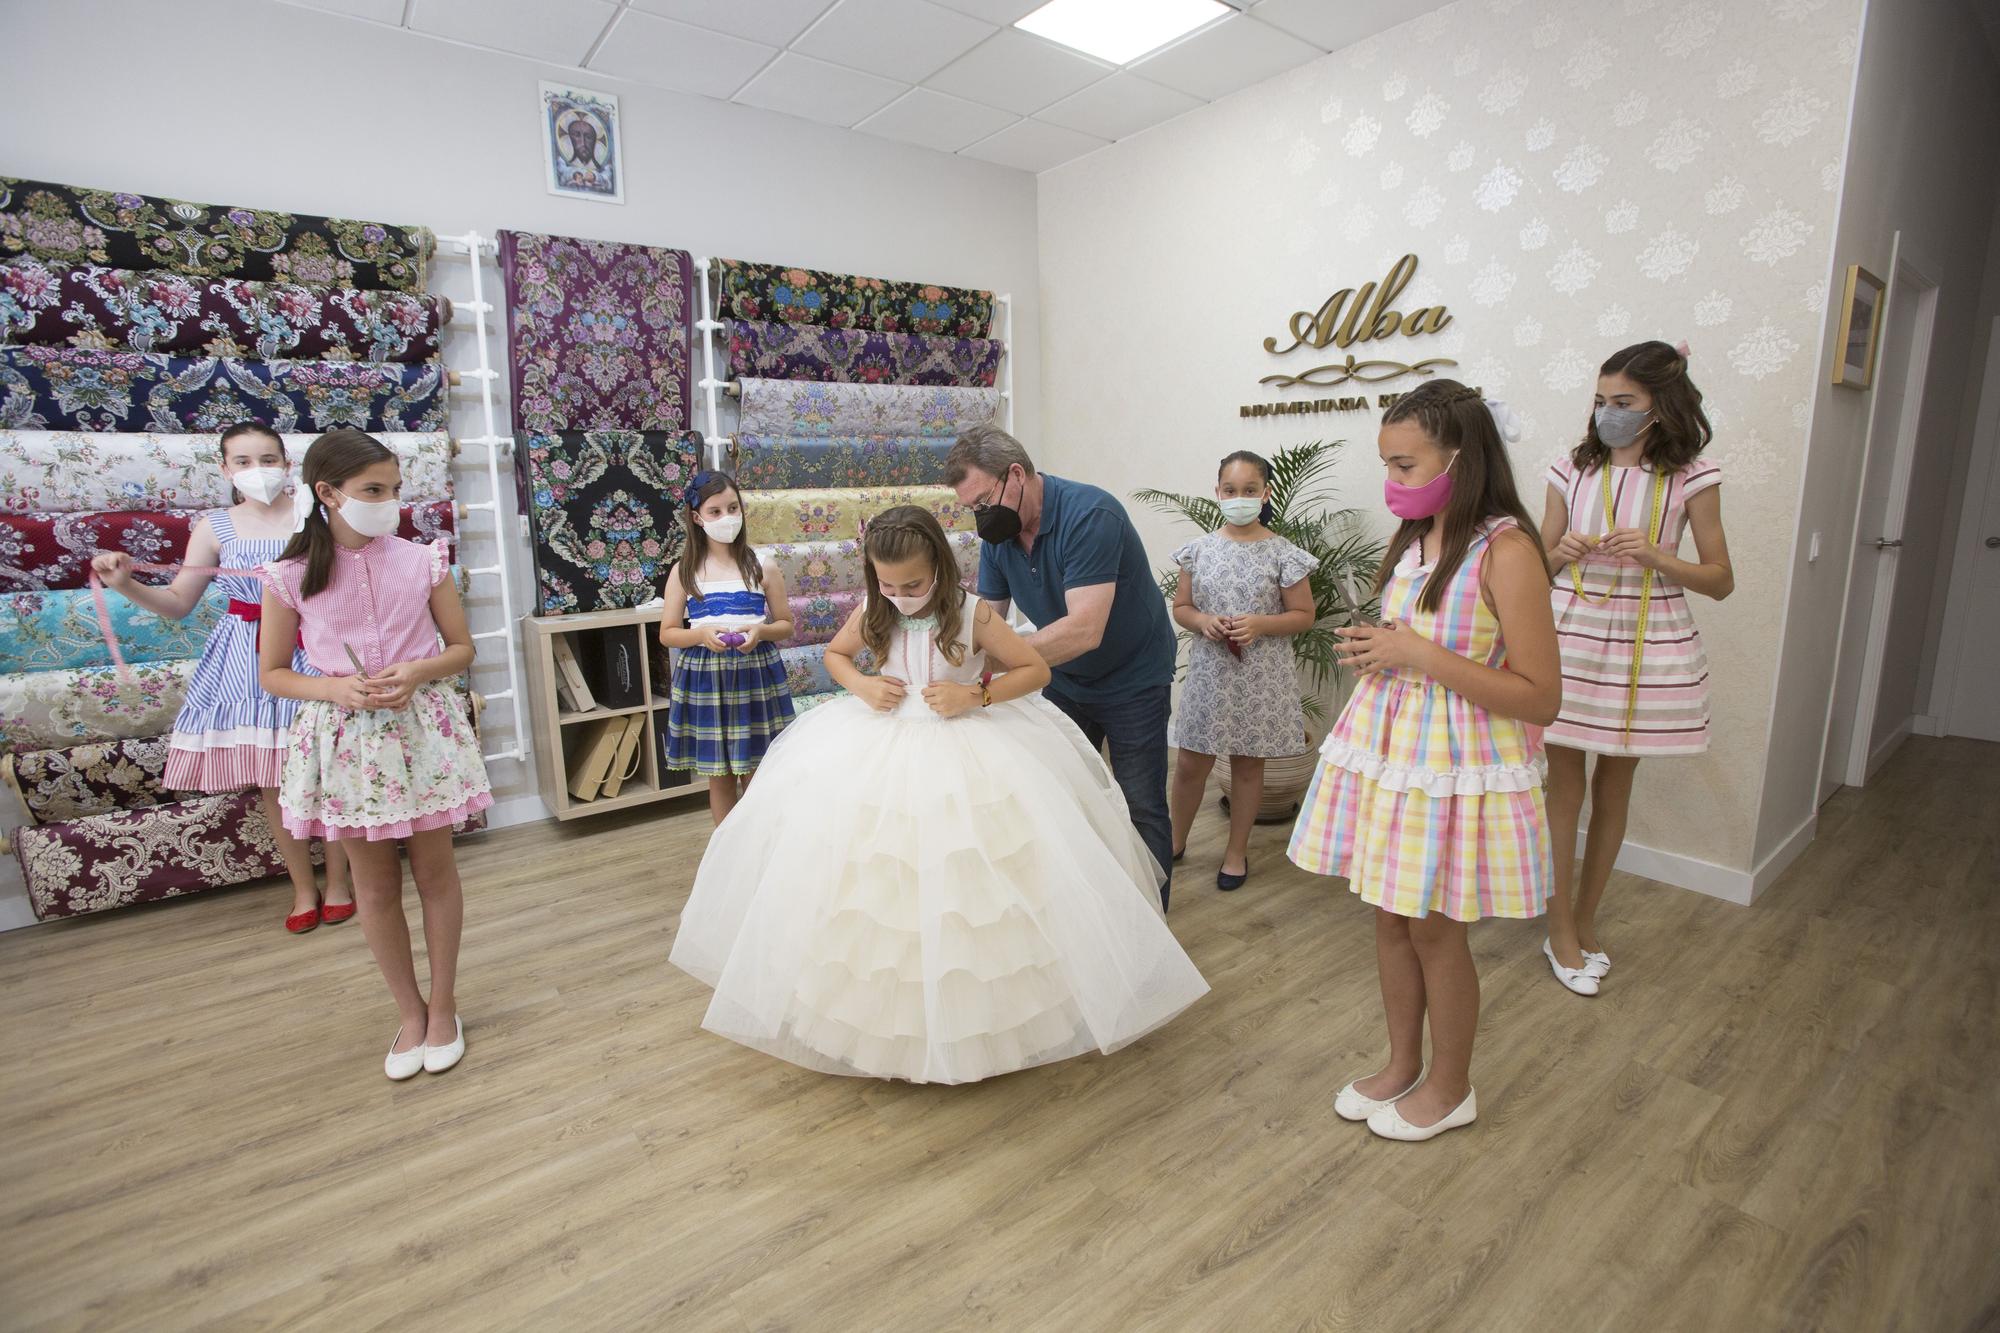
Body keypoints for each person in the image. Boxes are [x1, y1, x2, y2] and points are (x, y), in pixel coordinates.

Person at [670, 506, 1208, 1084]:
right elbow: (835, 655)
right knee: (875, 881)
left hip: (967, 741)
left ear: (941, 570)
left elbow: (1034, 671)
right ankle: (882, 1030)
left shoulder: (972, 612)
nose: (899, 595)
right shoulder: (877, 607)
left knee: (976, 879)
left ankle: (981, 1026)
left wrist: (976, 696)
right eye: (887, 584)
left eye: (913, 585)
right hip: (882, 741)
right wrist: (862, 683)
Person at [1288, 381, 1561, 1142]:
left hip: (1456, 761)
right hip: (1394, 750)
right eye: (1388, 465)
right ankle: (1402, 1061)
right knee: (1389, 916)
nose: (1393, 483)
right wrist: (1380, 651)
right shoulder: (1414, 538)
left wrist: (1417, 652)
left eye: (1405, 465)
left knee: (1437, 930)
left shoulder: (1506, 550)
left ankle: (1452, 1083)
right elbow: (1414, 641)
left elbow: (1540, 697)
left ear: (1460, 456)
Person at [259, 428, 491, 1081]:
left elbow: (461, 648)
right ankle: (409, 1012)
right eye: (373, 490)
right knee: (373, 885)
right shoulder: (288, 575)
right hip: (347, 743)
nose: (388, 502)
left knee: (436, 872)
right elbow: (273, 672)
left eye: (393, 488)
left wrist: (416, 672)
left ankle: (444, 1007)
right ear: (327, 493)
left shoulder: (423, 559)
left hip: (422, 731)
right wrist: (337, 686)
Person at [92, 421, 351, 934]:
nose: (259, 471)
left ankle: (342, 879)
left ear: (287, 462)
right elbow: (177, 604)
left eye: (269, 459)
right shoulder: (215, 526)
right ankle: (303, 887)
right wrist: (125, 584)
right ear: (224, 468)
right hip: (247, 658)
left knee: (329, 768)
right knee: (273, 783)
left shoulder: (316, 514)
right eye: (244, 461)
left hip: (313, 648)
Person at [1539, 341, 1733, 995]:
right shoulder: (1570, 468)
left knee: (1615, 788)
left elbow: (1720, 579)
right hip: (1570, 635)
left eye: (1624, 403)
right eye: (1601, 402)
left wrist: (1657, 555)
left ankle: (1585, 919)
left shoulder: (1691, 476)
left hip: (1646, 641)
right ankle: (1559, 925)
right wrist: (1559, 552)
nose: (1608, 414)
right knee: (1562, 786)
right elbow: (1533, 566)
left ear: (1660, 407)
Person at [946, 424, 1179, 904]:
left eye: (984, 502)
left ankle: (1154, 926)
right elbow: (988, 620)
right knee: (1067, 795)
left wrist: (996, 667)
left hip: (1133, 676)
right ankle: (1089, 909)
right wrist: (949, 654)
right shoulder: (998, 536)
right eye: (971, 509)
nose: (980, 518)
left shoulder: (1090, 514)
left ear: (1016, 474)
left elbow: (1083, 630)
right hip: (1064, 677)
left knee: (1141, 803)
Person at [1167, 451, 1316, 892]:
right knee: (1191, 761)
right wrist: (1201, 621)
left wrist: (1261, 624)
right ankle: (1174, 842)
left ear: (1265, 493)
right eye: (1230, 490)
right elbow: (1182, 607)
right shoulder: (1199, 551)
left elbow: (1304, 615)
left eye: (1250, 490)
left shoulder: (1284, 554)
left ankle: (1236, 853)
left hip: (1261, 675)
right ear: (1217, 493)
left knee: (1248, 766)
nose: (1239, 498)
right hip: (1211, 673)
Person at [658, 471, 795, 825]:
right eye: (715, 511)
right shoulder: (684, 571)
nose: (726, 518)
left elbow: (785, 624)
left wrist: (759, 631)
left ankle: (758, 844)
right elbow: (668, 633)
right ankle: (726, 849)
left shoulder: (762, 566)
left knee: (757, 771)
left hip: (755, 675)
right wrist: (700, 636)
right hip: (705, 679)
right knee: (718, 776)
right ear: (697, 518)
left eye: (733, 508)